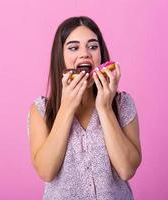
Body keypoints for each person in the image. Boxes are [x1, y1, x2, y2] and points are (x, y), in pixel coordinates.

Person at [27, 16, 142, 200]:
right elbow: (46, 171)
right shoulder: (41, 110)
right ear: (61, 58)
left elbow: (127, 169)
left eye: (93, 46)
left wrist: (105, 109)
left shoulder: (122, 104)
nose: (85, 54)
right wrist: (66, 108)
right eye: (73, 48)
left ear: (101, 56)